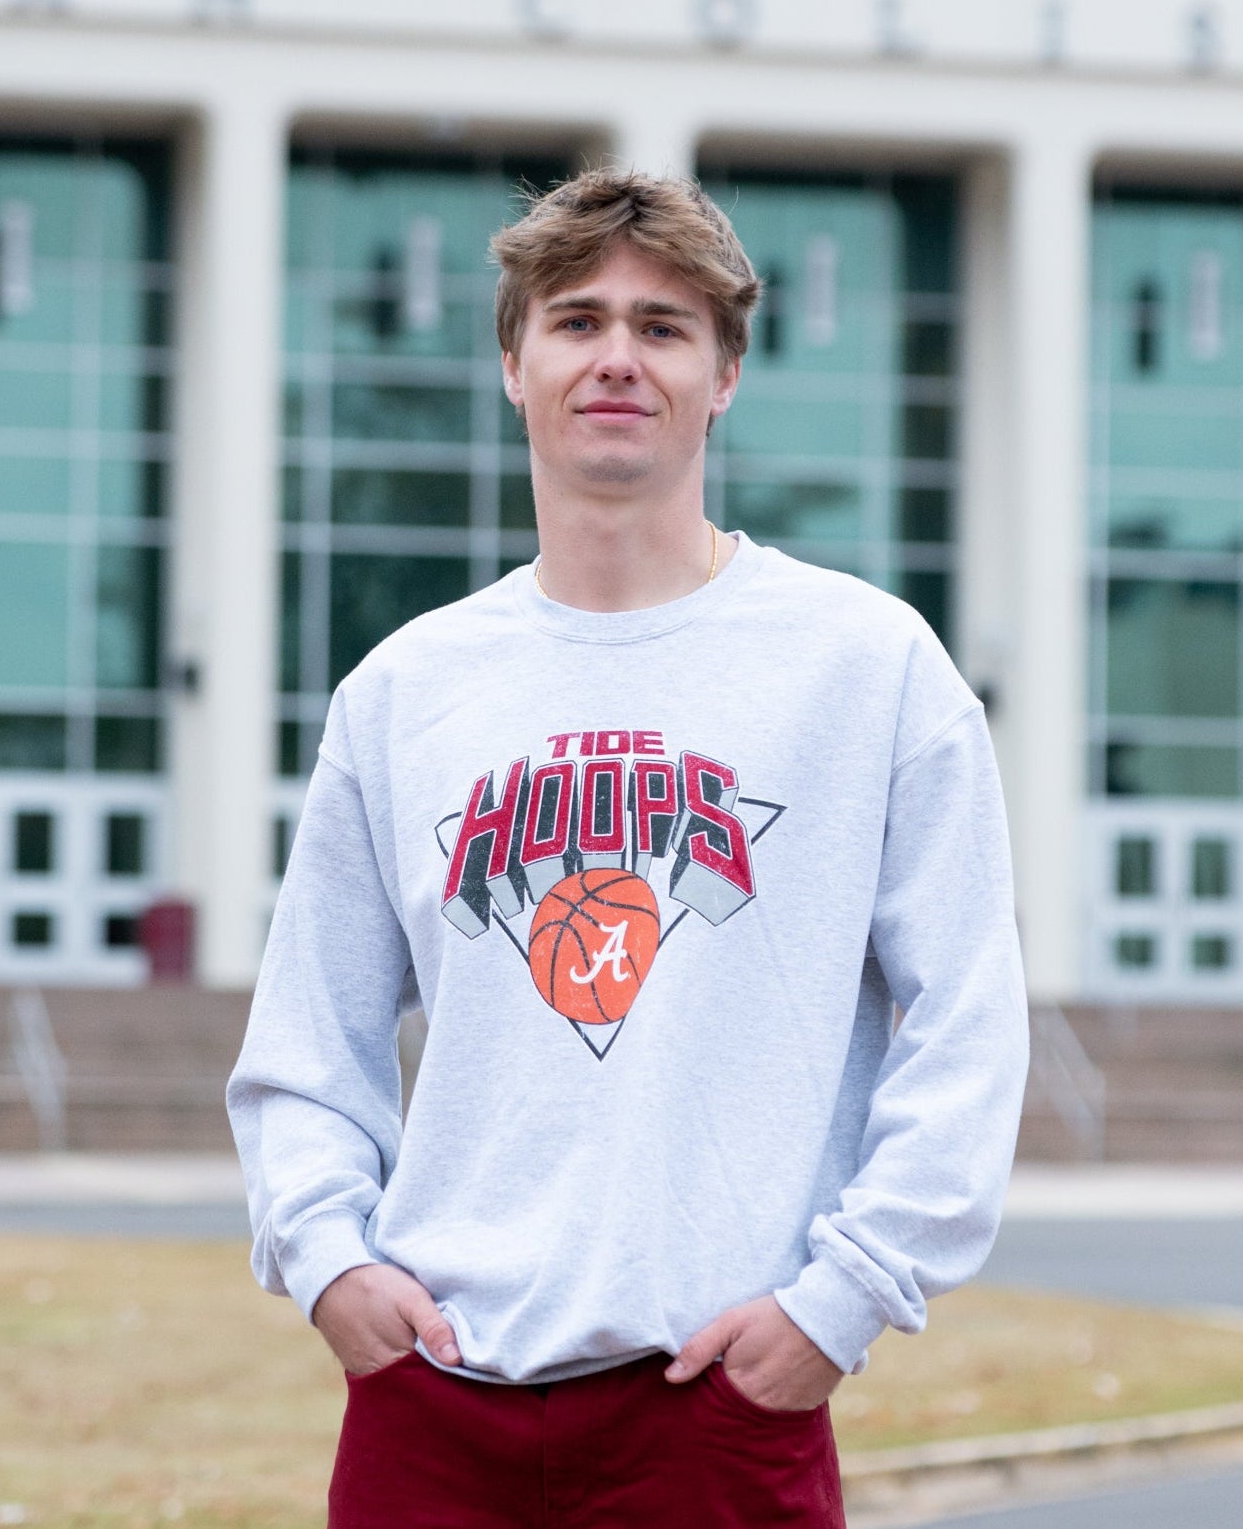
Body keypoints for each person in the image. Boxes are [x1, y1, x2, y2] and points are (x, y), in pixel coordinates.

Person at [227, 168, 1029, 1528]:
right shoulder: (406, 692)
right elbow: (308, 1044)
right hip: (435, 1405)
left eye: (663, 327)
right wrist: (327, 1262)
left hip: (718, 1406)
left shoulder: (865, 666)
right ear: (512, 362)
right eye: (577, 319)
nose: (617, 357)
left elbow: (968, 1018)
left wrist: (841, 1301)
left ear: (724, 373)